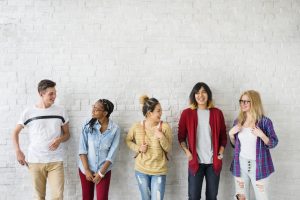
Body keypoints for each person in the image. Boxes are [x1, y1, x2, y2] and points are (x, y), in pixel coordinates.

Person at [12, 79, 70, 200]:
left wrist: (60, 139)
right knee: (39, 197)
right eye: (51, 94)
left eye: (55, 93)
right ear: (41, 93)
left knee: (58, 196)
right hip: (35, 161)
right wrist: (18, 151)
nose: (54, 96)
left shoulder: (61, 111)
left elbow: (67, 134)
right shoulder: (29, 112)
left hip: (56, 161)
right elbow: (15, 132)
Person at [178, 82, 227, 200]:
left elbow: (223, 137)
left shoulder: (217, 113)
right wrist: (187, 152)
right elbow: (181, 137)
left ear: (208, 94)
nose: (200, 95)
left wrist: (220, 153)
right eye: (197, 92)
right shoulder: (187, 113)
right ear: (193, 95)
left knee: (212, 197)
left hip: (213, 163)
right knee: (193, 197)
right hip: (196, 162)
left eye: (203, 92)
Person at [229, 90, 278, 200]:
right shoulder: (238, 121)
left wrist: (262, 135)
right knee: (241, 198)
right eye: (241, 101)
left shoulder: (265, 122)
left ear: (254, 102)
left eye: (247, 101)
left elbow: (274, 142)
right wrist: (231, 135)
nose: (243, 104)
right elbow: (234, 146)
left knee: (262, 197)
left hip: (259, 166)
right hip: (240, 165)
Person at [125, 95, 173, 200]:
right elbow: (127, 140)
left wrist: (161, 137)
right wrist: (138, 148)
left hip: (159, 171)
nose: (161, 113)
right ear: (150, 113)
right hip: (141, 170)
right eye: (158, 111)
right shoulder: (136, 126)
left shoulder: (165, 127)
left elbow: (168, 148)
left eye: (161, 111)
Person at [78, 99, 120, 200]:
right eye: (93, 107)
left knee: (102, 198)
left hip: (104, 170)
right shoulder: (87, 124)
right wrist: (87, 170)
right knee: (87, 197)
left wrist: (101, 173)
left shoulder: (115, 129)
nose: (92, 110)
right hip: (86, 168)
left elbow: (112, 154)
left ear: (105, 113)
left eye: (96, 109)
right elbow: (82, 149)